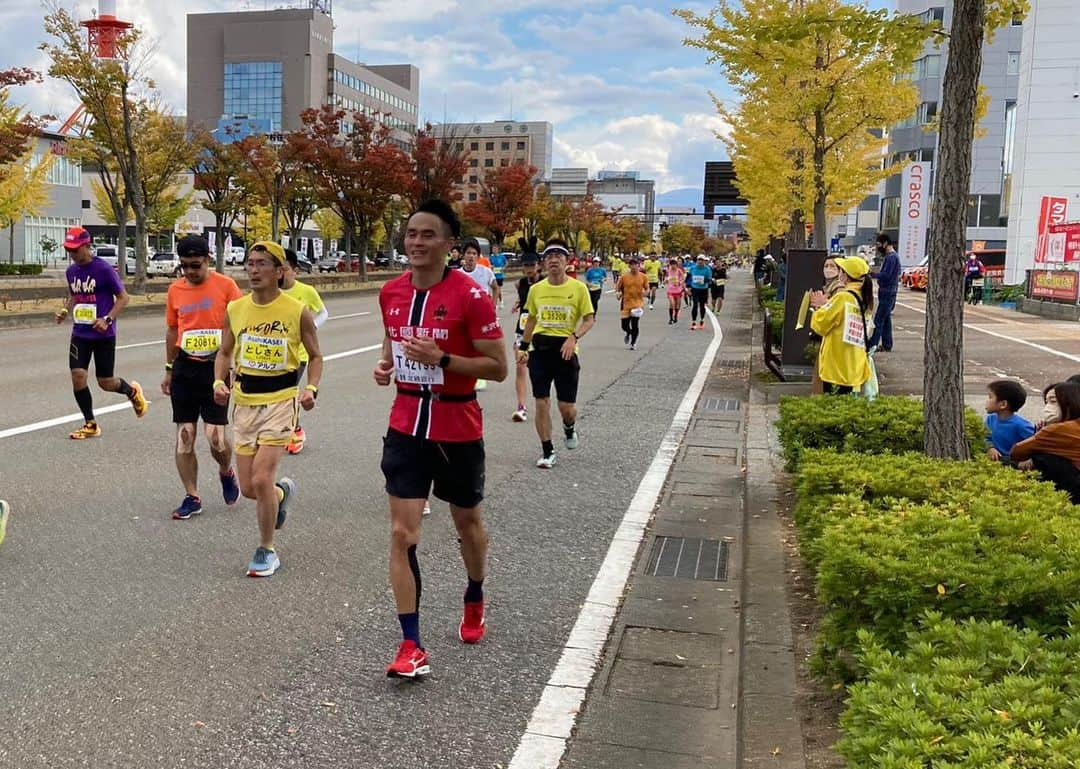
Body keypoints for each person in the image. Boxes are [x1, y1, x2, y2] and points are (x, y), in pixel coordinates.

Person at [372, 199, 508, 679]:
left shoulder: (472, 296)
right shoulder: (390, 292)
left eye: (428, 235)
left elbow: (498, 366)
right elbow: (392, 345)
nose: (416, 242)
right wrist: (387, 366)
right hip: (406, 423)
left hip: (457, 425)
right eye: (411, 233)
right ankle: (411, 643)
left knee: (467, 523)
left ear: (451, 244)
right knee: (401, 533)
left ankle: (474, 593)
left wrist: (443, 360)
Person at [213, 241, 323, 578]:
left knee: (261, 477)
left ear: (280, 271)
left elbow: (316, 356)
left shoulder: (296, 311)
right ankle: (280, 495)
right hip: (245, 403)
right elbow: (225, 352)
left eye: (263, 263)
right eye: (250, 263)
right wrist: (219, 381)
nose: (254, 269)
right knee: (250, 488)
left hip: (281, 400)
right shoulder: (236, 309)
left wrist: (311, 388)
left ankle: (267, 549)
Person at [162, 235, 244, 520]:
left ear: (208, 259)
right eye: (184, 266)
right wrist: (169, 369)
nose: (189, 272)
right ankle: (192, 496)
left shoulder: (227, 286)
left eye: (195, 265)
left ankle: (226, 471)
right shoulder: (175, 290)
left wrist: (237, 367)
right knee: (185, 436)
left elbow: (242, 325)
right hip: (185, 367)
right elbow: (173, 330)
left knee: (215, 438)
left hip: (216, 369)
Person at [56, 227, 148, 439]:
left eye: (75, 250)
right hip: (80, 333)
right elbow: (74, 295)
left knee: (105, 382)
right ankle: (90, 423)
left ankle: (131, 392)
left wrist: (107, 319)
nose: (72, 254)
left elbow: (124, 298)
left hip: (103, 334)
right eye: (69, 250)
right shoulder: (71, 272)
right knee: (78, 376)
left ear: (87, 246)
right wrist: (64, 310)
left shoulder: (104, 270)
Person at [519, 239, 597, 469]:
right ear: (545, 263)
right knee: (541, 401)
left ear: (567, 261)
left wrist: (573, 337)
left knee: (567, 408)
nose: (554, 260)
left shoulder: (578, 288)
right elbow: (531, 319)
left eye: (559, 256)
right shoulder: (536, 290)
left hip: (565, 351)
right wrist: (524, 347)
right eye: (549, 256)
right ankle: (547, 450)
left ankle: (569, 426)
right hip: (540, 351)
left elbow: (589, 319)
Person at [282, 248, 329, 455]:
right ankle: (280, 431)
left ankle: (295, 431)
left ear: (295, 270)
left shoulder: (306, 291)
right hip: (273, 355)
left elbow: (323, 312)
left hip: (298, 355)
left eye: (285, 269)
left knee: (287, 394)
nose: (281, 273)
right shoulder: (269, 292)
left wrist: (311, 329)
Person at [809, 256, 873, 394]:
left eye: (841, 270)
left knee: (832, 401)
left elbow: (821, 324)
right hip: (854, 359)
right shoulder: (862, 295)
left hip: (837, 362)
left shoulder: (843, 296)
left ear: (846, 276)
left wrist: (819, 308)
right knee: (846, 398)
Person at [1011, 382, 1080, 503]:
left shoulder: (1058, 429)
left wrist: (1042, 432)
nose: (1047, 407)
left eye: (1053, 402)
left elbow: (1016, 452)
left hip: (1073, 492)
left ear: (1069, 403)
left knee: (1042, 459)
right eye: (1046, 402)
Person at [511, 241, 544, 423]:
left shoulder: (545, 284)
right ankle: (521, 407)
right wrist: (518, 304)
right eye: (525, 265)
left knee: (537, 368)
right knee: (520, 366)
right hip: (522, 329)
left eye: (532, 264)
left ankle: (541, 400)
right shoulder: (520, 283)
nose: (529, 268)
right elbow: (523, 299)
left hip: (541, 330)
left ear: (538, 265)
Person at [984, 379, 1035, 463]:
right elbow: (985, 437)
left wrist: (1029, 460)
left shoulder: (1021, 425)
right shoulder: (991, 419)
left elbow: (1036, 443)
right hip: (995, 460)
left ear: (1003, 404)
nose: (987, 401)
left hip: (1012, 462)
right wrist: (990, 447)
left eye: (990, 397)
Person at [868, 234, 901, 352]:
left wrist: (872, 274)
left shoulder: (891, 257)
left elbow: (886, 275)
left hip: (888, 292)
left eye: (878, 244)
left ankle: (873, 344)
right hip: (887, 291)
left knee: (879, 319)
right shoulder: (891, 256)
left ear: (885, 243)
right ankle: (887, 344)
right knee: (886, 319)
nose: (878, 248)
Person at [616, 257, 650, 350]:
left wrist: (646, 293)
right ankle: (629, 332)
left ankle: (633, 343)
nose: (634, 267)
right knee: (624, 325)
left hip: (637, 303)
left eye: (636, 265)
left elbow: (647, 288)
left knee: (635, 324)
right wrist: (618, 293)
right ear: (629, 266)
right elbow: (618, 287)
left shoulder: (643, 277)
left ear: (638, 266)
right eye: (632, 265)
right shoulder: (624, 277)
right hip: (626, 302)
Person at [687, 254, 713, 331]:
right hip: (695, 288)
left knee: (702, 305)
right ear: (697, 260)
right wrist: (688, 288)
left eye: (702, 260)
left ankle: (702, 320)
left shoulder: (707, 269)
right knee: (695, 305)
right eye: (699, 260)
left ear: (704, 261)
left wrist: (703, 280)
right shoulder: (693, 268)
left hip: (703, 289)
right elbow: (689, 278)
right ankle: (694, 322)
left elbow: (709, 279)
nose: (700, 261)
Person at [665, 256, 686, 324]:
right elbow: (666, 278)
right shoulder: (668, 270)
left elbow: (683, 278)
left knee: (677, 305)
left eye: (674, 264)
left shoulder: (679, 271)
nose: (673, 266)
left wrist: (680, 282)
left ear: (676, 265)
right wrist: (665, 280)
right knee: (672, 304)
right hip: (670, 290)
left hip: (678, 290)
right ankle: (670, 319)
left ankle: (676, 316)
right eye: (671, 264)